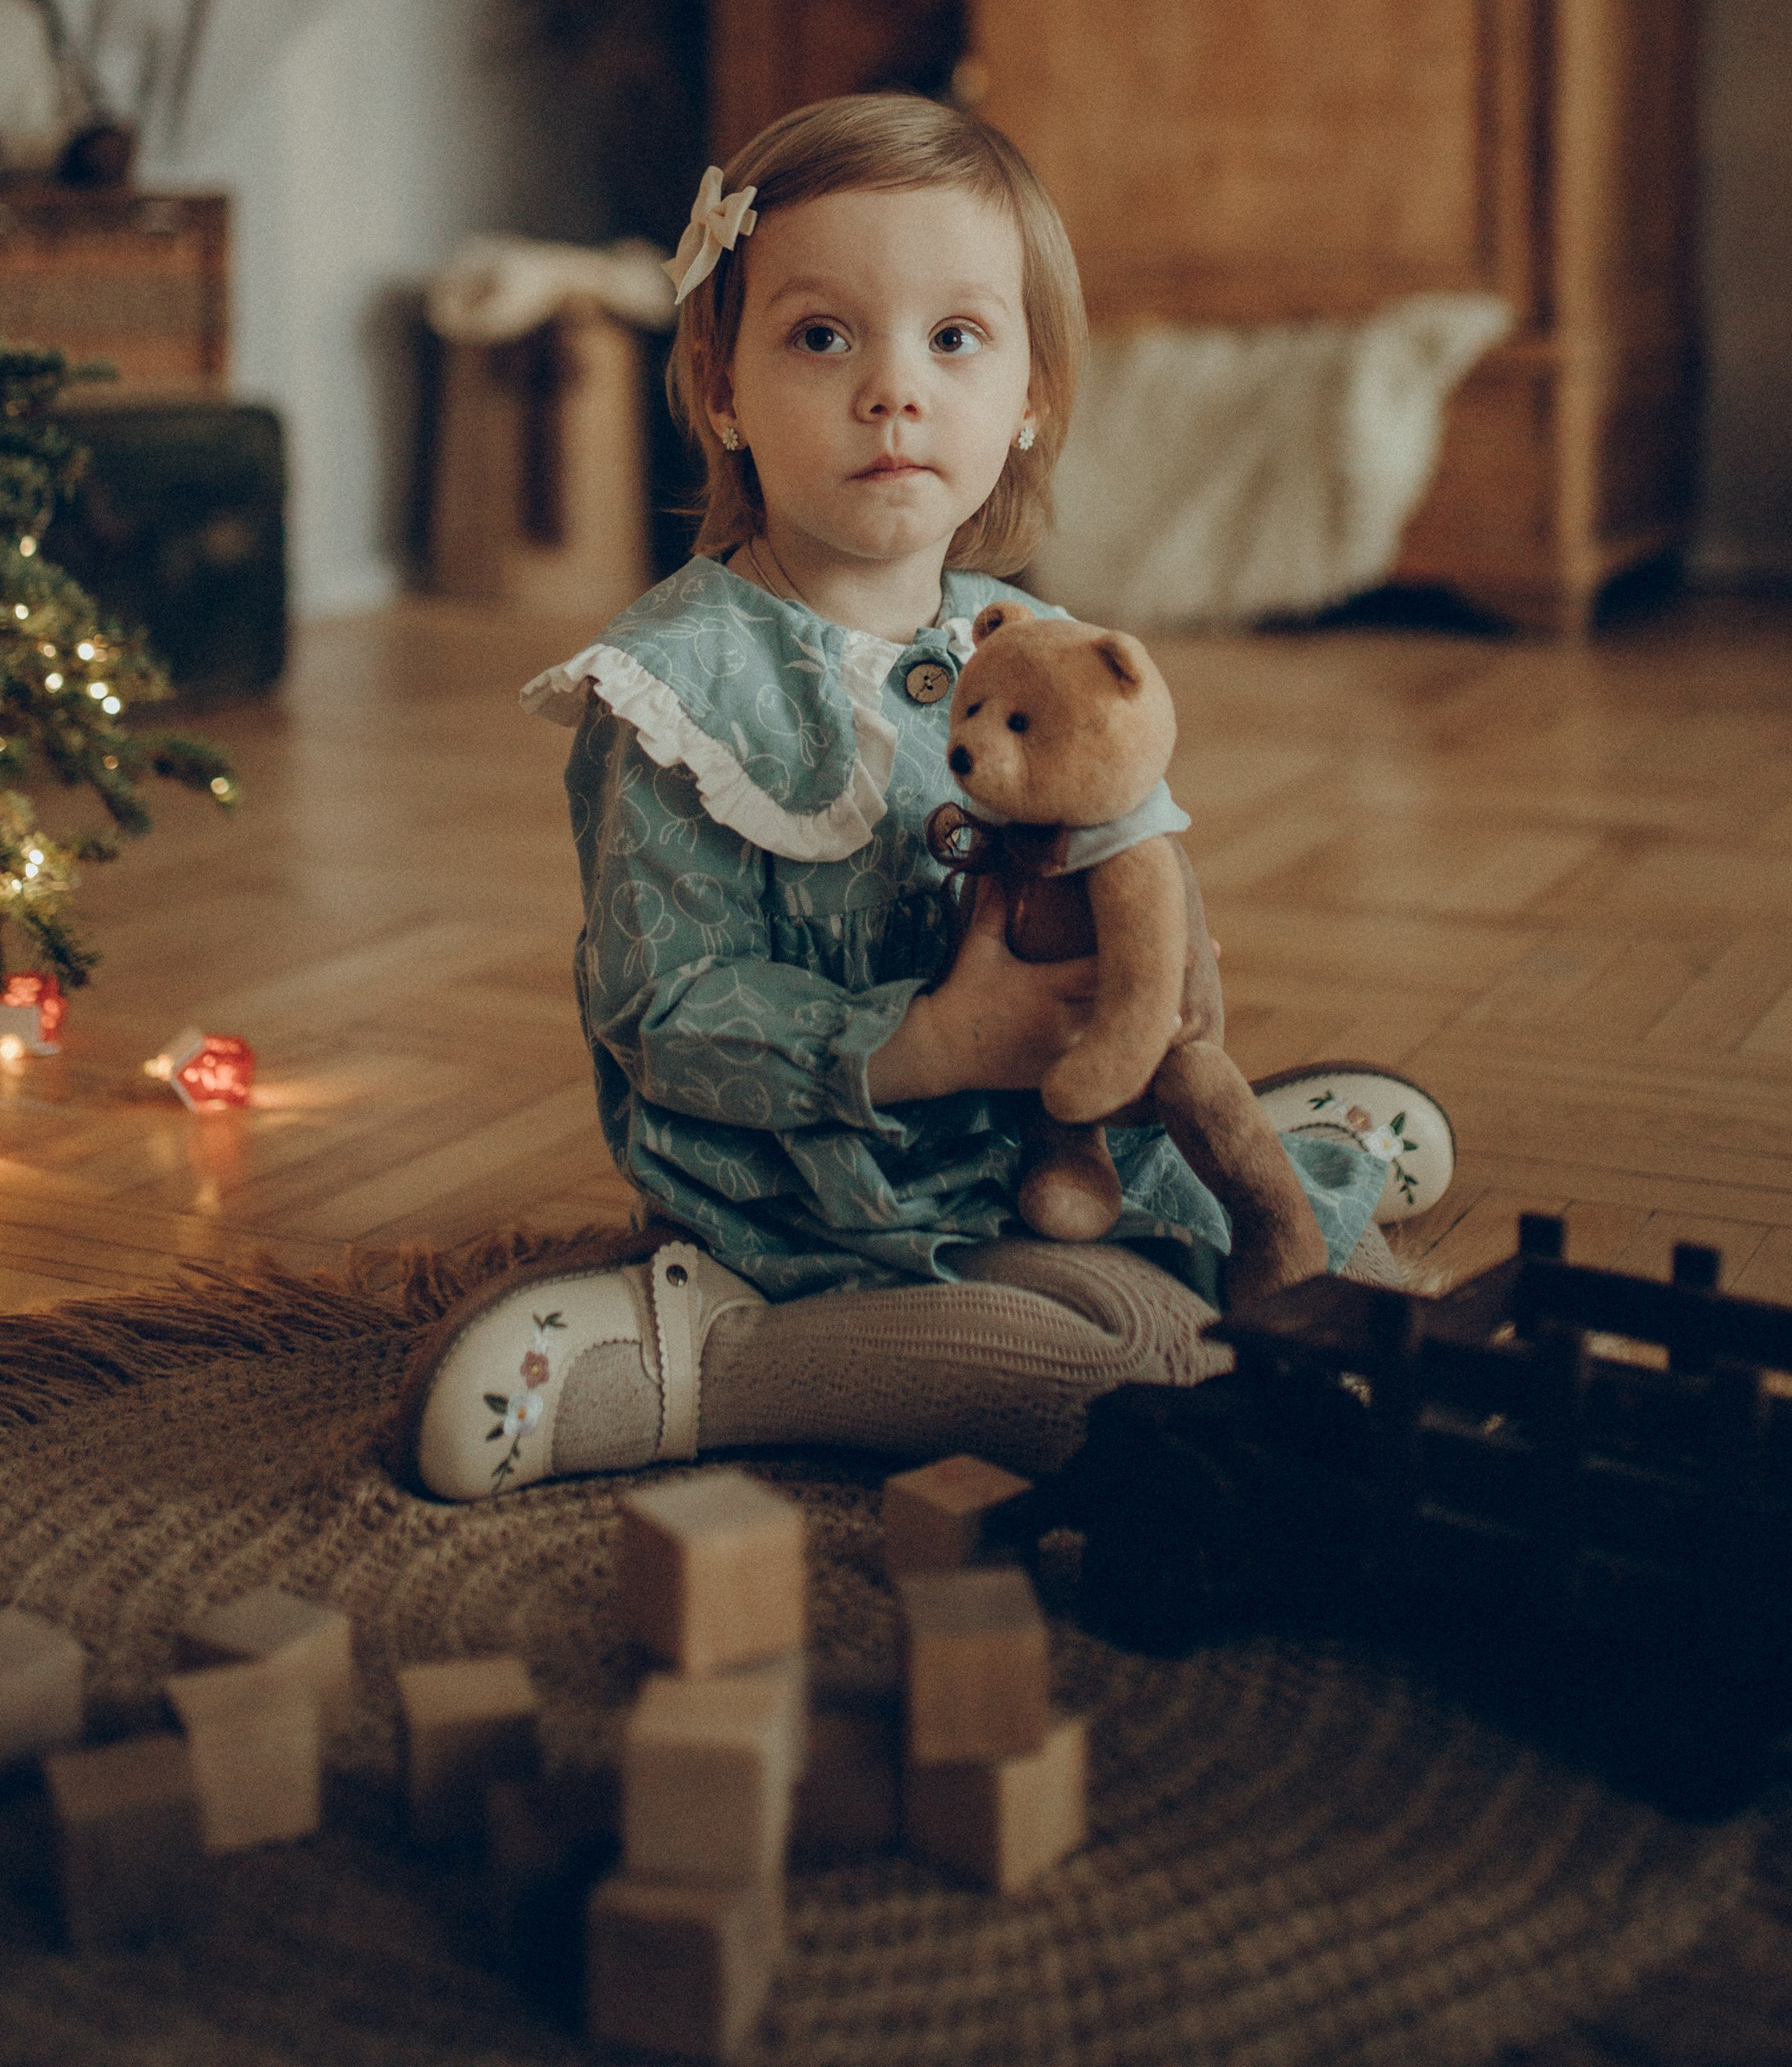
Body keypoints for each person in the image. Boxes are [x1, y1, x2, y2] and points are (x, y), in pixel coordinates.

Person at [393, 94, 1452, 1500]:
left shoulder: (1023, 644)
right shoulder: (678, 690)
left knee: (1294, 1291)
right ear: (721, 389)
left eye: (954, 340)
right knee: (1093, 1371)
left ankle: (1276, 1151)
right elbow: (665, 1020)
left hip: (1036, 1144)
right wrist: (933, 1043)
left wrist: (1165, 995)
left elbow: (1125, 860)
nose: (892, 389)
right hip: (810, 1189)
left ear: (1027, 405)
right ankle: (681, 1361)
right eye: (822, 336)